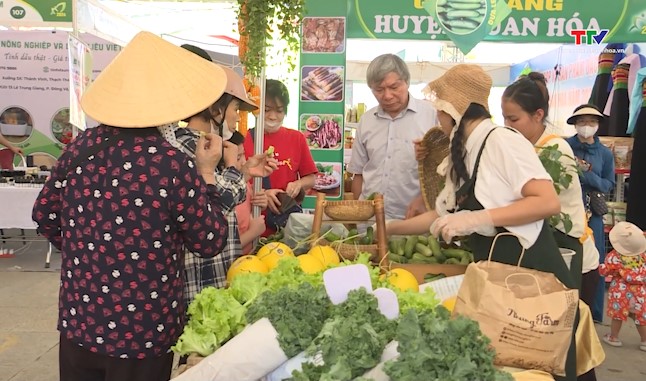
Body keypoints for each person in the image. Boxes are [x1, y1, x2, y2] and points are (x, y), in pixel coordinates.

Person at [31, 32, 230, 381]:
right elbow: (210, 239)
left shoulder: (80, 149)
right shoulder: (170, 164)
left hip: (81, 322)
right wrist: (207, 173)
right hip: (144, 333)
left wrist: (90, 253)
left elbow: (44, 215)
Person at [387, 64, 577, 380]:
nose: (438, 118)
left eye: (439, 110)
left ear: (452, 110)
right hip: (500, 287)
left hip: (535, 288)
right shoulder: (466, 149)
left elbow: (546, 201)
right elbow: (441, 214)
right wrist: (389, 228)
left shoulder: (502, 141)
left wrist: (478, 218)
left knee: (537, 371)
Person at [157, 45, 275, 304]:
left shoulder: (207, 146)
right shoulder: (189, 144)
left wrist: (242, 171)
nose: (236, 119)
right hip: (199, 281)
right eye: (234, 109)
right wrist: (235, 168)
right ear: (215, 110)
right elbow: (220, 201)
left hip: (215, 275)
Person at [501, 72, 587, 289]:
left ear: (538, 115)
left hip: (562, 242)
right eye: (504, 118)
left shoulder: (554, 150)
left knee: (561, 312)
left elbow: (539, 205)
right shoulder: (522, 145)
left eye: (513, 119)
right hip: (538, 240)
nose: (507, 125)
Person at [348, 53, 437, 220]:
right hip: (370, 220)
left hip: (413, 220)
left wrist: (425, 201)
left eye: (394, 87)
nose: (387, 96)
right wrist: (358, 214)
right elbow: (358, 173)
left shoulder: (431, 116)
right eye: (379, 90)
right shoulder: (366, 121)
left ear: (407, 82)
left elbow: (443, 171)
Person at [243, 78, 317, 235]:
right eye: (267, 109)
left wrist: (298, 184)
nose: (272, 116)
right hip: (252, 225)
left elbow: (311, 178)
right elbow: (235, 181)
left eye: (279, 110)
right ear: (257, 109)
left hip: (287, 226)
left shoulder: (296, 138)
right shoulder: (244, 139)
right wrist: (262, 193)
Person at [566, 104, 616, 323]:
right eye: (582, 121)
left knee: (594, 261)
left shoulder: (605, 153)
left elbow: (608, 184)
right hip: (566, 210)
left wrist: (587, 174)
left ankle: (593, 313)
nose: (587, 126)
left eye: (591, 122)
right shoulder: (565, 146)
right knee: (567, 256)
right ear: (575, 124)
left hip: (591, 213)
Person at [598, 221, 646, 352]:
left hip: (621, 291)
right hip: (640, 292)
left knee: (617, 315)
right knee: (639, 317)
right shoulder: (643, 256)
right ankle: (644, 341)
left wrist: (599, 267)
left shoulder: (615, 256)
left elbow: (605, 271)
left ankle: (614, 337)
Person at [233, 135, 269, 254]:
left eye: (243, 154)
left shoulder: (245, 183)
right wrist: (253, 233)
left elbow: (248, 211)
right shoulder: (221, 194)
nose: (244, 161)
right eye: (238, 158)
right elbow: (224, 249)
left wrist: (260, 203)